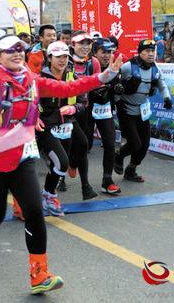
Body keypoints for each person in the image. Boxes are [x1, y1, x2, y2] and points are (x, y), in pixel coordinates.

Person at [0, 35, 122, 294]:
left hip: (21, 158)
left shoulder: (33, 81)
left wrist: (105, 76)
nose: (16, 53)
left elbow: (69, 88)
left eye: (20, 49)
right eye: (9, 50)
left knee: (34, 212)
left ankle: (39, 275)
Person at [35, 41, 91, 217]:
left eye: (65, 56)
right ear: (49, 58)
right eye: (58, 56)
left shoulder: (71, 76)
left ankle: (50, 191)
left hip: (67, 123)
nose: (62, 60)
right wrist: (34, 116)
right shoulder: (39, 78)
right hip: (45, 126)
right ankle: (49, 195)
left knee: (81, 145)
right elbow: (29, 101)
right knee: (61, 162)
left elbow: (83, 101)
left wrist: (73, 108)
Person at [114, 40, 173, 182]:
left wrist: (167, 98)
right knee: (135, 143)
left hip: (142, 111)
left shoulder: (155, 68)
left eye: (152, 51)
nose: (151, 54)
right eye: (147, 51)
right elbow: (115, 83)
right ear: (140, 52)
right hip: (126, 110)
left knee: (144, 145)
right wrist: (116, 101)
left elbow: (162, 85)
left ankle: (131, 170)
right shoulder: (128, 67)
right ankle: (119, 155)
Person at [67, 31, 101, 198]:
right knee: (68, 145)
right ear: (73, 45)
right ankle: (60, 180)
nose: (85, 47)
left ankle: (84, 184)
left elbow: (98, 82)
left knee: (83, 145)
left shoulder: (93, 62)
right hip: (65, 111)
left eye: (88, 43)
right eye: (82, 43)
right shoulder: (63, 60)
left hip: (84, 108)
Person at [87, 38, 121, 195]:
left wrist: (118, 88)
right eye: (104, 52)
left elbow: (117, 90)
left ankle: (107, 180)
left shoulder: (114, 66)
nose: (107, 55)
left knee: (110, 143)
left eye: (109, 52)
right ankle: (61, 174)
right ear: (95, 52)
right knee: (83, 145)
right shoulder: (88, 66)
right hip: (86, 109)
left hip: (105, 110)